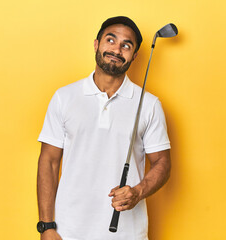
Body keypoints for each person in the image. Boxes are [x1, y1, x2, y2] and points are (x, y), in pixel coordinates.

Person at [36, 16, 171, 240]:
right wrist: (46, 226)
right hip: (67, 232)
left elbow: (163, 162)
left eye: (126, 45)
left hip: (128, 234)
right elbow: (48, 161)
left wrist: (138, 192)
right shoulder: (64, 97)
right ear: (97, 44)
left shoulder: (149, 105)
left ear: (134, 56)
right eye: (111, 40)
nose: (117, 49)